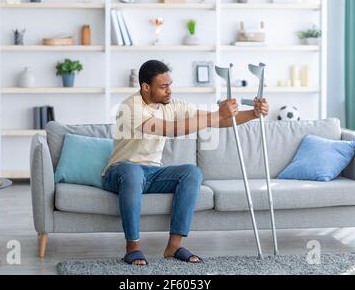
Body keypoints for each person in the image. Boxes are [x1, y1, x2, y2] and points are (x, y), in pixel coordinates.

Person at [101, 60, 269, 265]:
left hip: (152, 173)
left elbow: (219, 120)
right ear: (146, 87)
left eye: (170, 84)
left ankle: (174, 246)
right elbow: (169, 129)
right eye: (163, 87)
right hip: (120, 173)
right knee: (133, 172)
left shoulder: (172, 105)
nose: (169, 91)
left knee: (192, 172)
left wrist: (253, 113)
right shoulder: (130, 107)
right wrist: (217, 114)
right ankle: (132, 247)